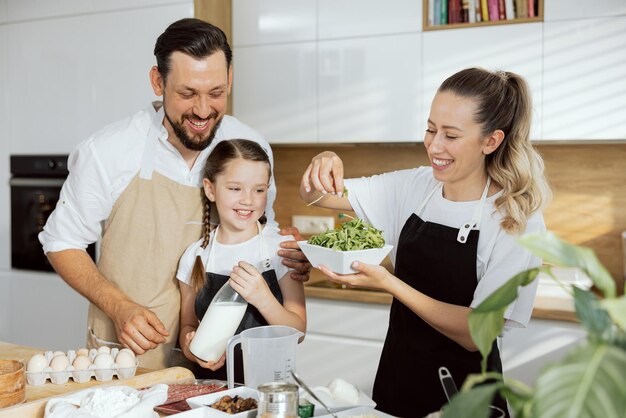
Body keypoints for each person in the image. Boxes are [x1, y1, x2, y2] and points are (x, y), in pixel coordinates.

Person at [38, 18, 310, 370]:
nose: (202, 110)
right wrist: (118, 306)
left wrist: (291, 255)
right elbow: (62, 242)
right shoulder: (108, 151)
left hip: (219, 363)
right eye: (187, 94)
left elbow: (259, 228)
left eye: (216, 93)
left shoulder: (251, 147)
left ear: (229, 80)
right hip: (129, 357)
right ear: (157, 81)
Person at [300, 68, 551, 417]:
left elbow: (476, 333)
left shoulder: (514, 218)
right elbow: (316, 197)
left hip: (465, 398)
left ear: (491, 141)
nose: (434, 146)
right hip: (397, 383)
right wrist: (322, 161)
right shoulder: (415, 187)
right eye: (431, 129)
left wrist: (388, 282)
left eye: (451, 135)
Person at [176, 139, 306, 381]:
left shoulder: (280, 251)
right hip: (211, 389)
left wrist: (262, 298)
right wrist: (191, 348)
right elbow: (188, 327)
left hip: (269, 391)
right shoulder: (195, 256)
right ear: (210, 189)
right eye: (235, 189)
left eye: (259, 189)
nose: (248, 200)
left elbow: (298, 332)